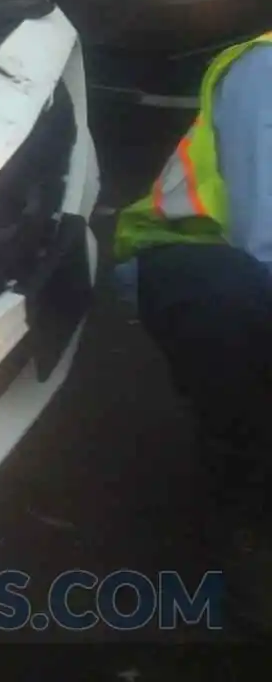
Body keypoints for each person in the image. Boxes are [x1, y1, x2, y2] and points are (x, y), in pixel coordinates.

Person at [115, 34, 272, 631]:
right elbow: (264, 246)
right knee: (232, 309)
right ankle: (246, 509)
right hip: (198, 260)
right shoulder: (267, 73)